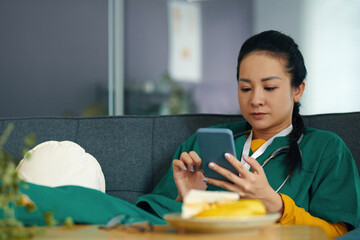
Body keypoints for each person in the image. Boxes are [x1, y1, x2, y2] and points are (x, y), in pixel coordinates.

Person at [135, 30, 360, 238]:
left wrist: (277, 206)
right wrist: (185, 202)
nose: (255, 100)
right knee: (100, 203)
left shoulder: (326, 149)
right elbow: (149, 222)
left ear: (297, 90)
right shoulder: (204, 142)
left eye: (269, 87)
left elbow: (339, 233)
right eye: (245, 88)